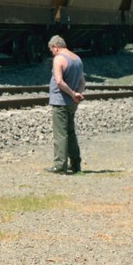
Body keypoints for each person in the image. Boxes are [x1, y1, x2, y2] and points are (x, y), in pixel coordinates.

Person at [46, 35, 85, 174]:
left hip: (60, 102)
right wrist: (77, 94)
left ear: (55, 47)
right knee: (71, 133)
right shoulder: (77, 59)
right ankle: (75, 164)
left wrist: (72, 94)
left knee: (60, 134)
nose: (52, 53)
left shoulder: (59, 59)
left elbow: (59, 81)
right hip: (72, 103)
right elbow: (82, 82)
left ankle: (60, 165)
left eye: (52, 50)